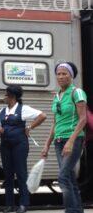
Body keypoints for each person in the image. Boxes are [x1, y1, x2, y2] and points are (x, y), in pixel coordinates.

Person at [41, 62, 87, 213]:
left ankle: (71, 210)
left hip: (73, 139)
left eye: (64, 73)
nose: (60, 77)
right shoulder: (57, 96)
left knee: (62, 177)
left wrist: (71, 141)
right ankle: (77, 210)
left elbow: (83, 119)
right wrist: (47, 144)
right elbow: (55, 122)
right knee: (69, 177)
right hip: (58, 141)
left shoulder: (77, 92)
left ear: (71, 76)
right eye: (58, 74)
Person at [0, 85, 46, 213]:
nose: (4, 97)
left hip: (19, 145)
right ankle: (9, 205)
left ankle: (23, 204)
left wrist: (30, 127)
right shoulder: (2, 111)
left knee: (21, 174)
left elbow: (42, 115)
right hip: (5, 145)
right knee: (8, 175)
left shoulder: (23, 109)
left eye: (6, 94)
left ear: (12, 96)